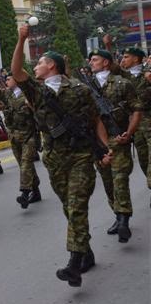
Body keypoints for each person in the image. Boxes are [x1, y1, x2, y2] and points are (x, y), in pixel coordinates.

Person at [11, 24, 112, 287]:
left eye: (40, 62)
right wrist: (21, 40)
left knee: (77, 206)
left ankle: (73, 263)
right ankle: (86, 252)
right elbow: (16, 71)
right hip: (54, 158)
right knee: (70, 209)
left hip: (80, 155)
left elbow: (95, 120)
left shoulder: (79, 89)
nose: (36, 65)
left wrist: (104, 148)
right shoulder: (37, 90)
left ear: (52, 66)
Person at [86, 49, 141, 243]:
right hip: (98, 142)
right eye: (91, 60)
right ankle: (118, 215)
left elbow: (136, 110)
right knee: (108, 181)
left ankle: (124, 219)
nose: (91, 62)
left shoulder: (122, 84)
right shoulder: (86, 87)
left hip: (118, 138)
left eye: (95, 60)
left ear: (106, 63)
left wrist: (129, 132)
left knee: (120, 179)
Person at [0, 65, 41, 209]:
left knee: (26, 164)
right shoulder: (8, 95)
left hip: (29, 135)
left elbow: (40, 112)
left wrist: (31, 106)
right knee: (24, 165)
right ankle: (35, 191)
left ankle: (25, 193)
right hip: (14, 136)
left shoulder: (28, 94)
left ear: (17, 80)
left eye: (9, 78)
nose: (6, 81)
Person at [120, 47, 151, 206]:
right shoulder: (124, 78)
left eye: (126, 57)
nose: (123, 60)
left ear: (136, 59)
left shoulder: (147, 73)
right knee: (144, 159)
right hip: (136, 123)